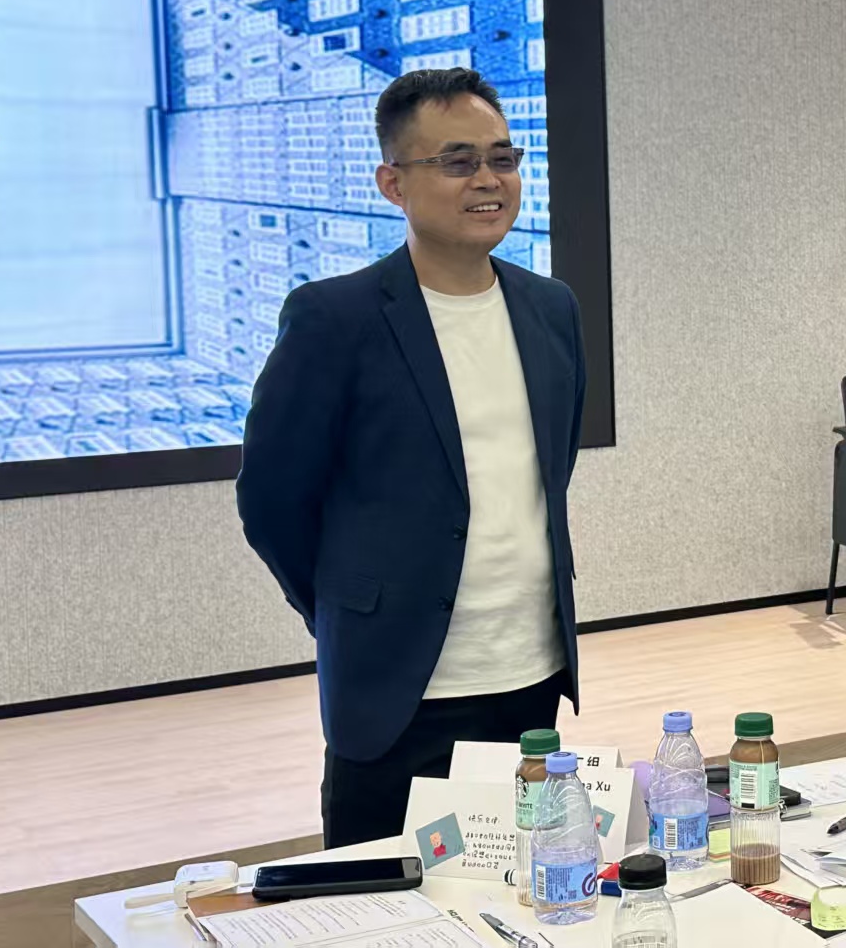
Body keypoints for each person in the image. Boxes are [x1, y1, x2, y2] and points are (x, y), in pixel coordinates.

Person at [238, 67, 587, 848]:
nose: (488, 179)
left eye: (503, 157)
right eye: (458, 161)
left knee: (524, 881)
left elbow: (550, 469)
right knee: (384, 896)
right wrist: (352, 607)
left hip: (530, 673)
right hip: (398, 689)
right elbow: (272, 501)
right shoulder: (335, 318)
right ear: (392, 183)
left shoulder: (551, 307)